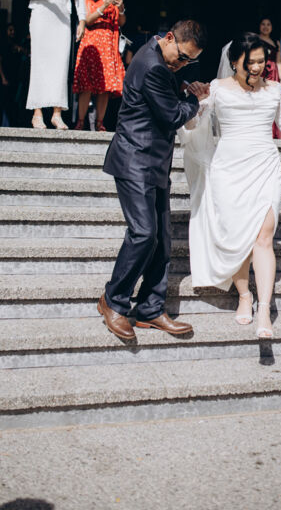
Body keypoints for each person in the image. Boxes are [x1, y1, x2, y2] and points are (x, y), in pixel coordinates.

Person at [179, 32, 281, 339]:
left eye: (262, 61)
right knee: (238, 236)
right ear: (235, 62)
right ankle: (244, 295)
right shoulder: (217, 87)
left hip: (265, 166)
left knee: (263, 237)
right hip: (228, 169)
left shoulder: (274, 89)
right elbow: (193, 125)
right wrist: (196, 101)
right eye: (251, 62)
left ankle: (264, 309)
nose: (258, 67)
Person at [98, 19, 208, 341]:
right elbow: (172, 115)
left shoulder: (159, 59)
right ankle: (113, 301)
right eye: (182, 57)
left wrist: (183, 89)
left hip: (154, 163)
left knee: (162, 240)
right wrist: (195, 100)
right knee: (144, 234)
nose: (182, 63)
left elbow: (164, 98)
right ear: (169, 38)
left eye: (190, 61)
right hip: (135, 160)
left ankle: (150, 308)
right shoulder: (152, 66)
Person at [24, 0, 86, 129]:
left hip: (63, 18)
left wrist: (82, 20)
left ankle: (57, 113)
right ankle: (37, 112)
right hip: (42, 16)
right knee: (40, 64)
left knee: (60, 65)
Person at [73, 0, 126, 131]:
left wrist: (121, 7)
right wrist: (104, 5)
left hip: (108, 46)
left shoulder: (114, 1)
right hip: (92, 45)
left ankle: (99, 122)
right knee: (87, 85)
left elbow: (122, 22)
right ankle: (81, 121)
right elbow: (87, 20)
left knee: (105, 87)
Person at [0, 24, 24, 126]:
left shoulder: (16, 44)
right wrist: (3, 77)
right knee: (1, 101)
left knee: (12, 102)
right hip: (3, 77)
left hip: (13, 78)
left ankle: (12, 123)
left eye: (13, 30)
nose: (12, 32)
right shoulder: (1, 44)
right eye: (10, 30)